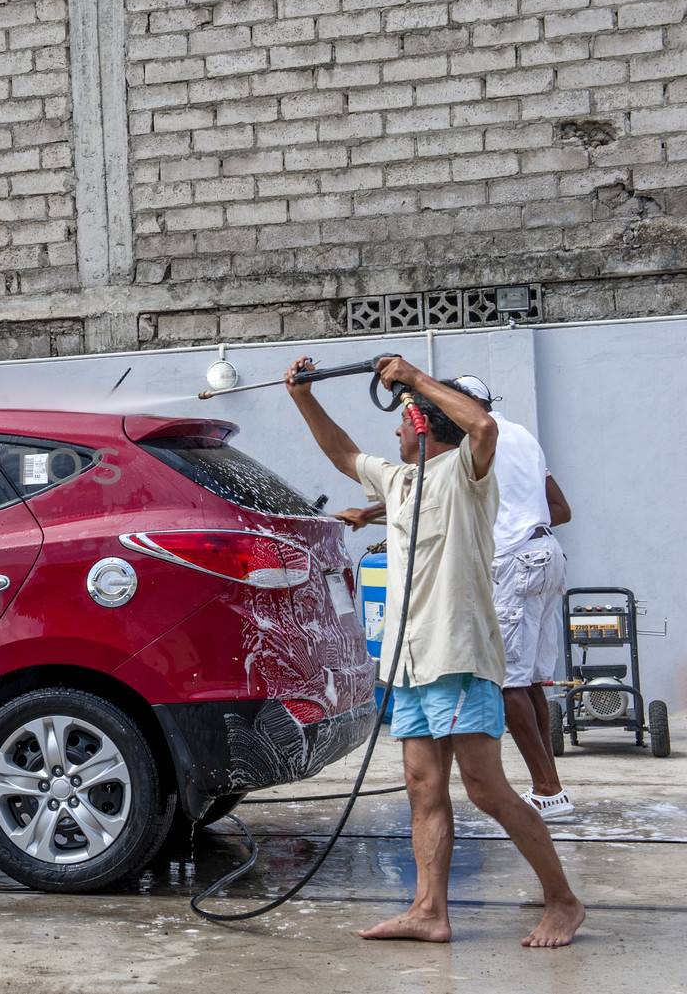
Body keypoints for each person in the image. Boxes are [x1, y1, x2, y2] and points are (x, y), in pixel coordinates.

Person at [288, 355, 583, 949]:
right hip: (411, 662)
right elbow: (344, 454)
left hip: (458, 656)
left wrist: (419, 380)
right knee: (423, 788)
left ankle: (563, 901)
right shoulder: (399, 483)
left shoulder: (467, 474)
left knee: (486, 790)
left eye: (403, 421)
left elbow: (483, 428)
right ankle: (428, 910)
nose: (394, 431)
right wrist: (303, 398)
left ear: (423, 427)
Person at [335, 376, 575, 820]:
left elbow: (454, 481)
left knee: (506, 682)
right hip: (545, 553)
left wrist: (492, 535)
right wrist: (374, 512)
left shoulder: (479, 435)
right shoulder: (521, 433)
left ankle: (549, 787)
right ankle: (548, 783)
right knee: (528, 679)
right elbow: (559, 508)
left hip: (510, 560)